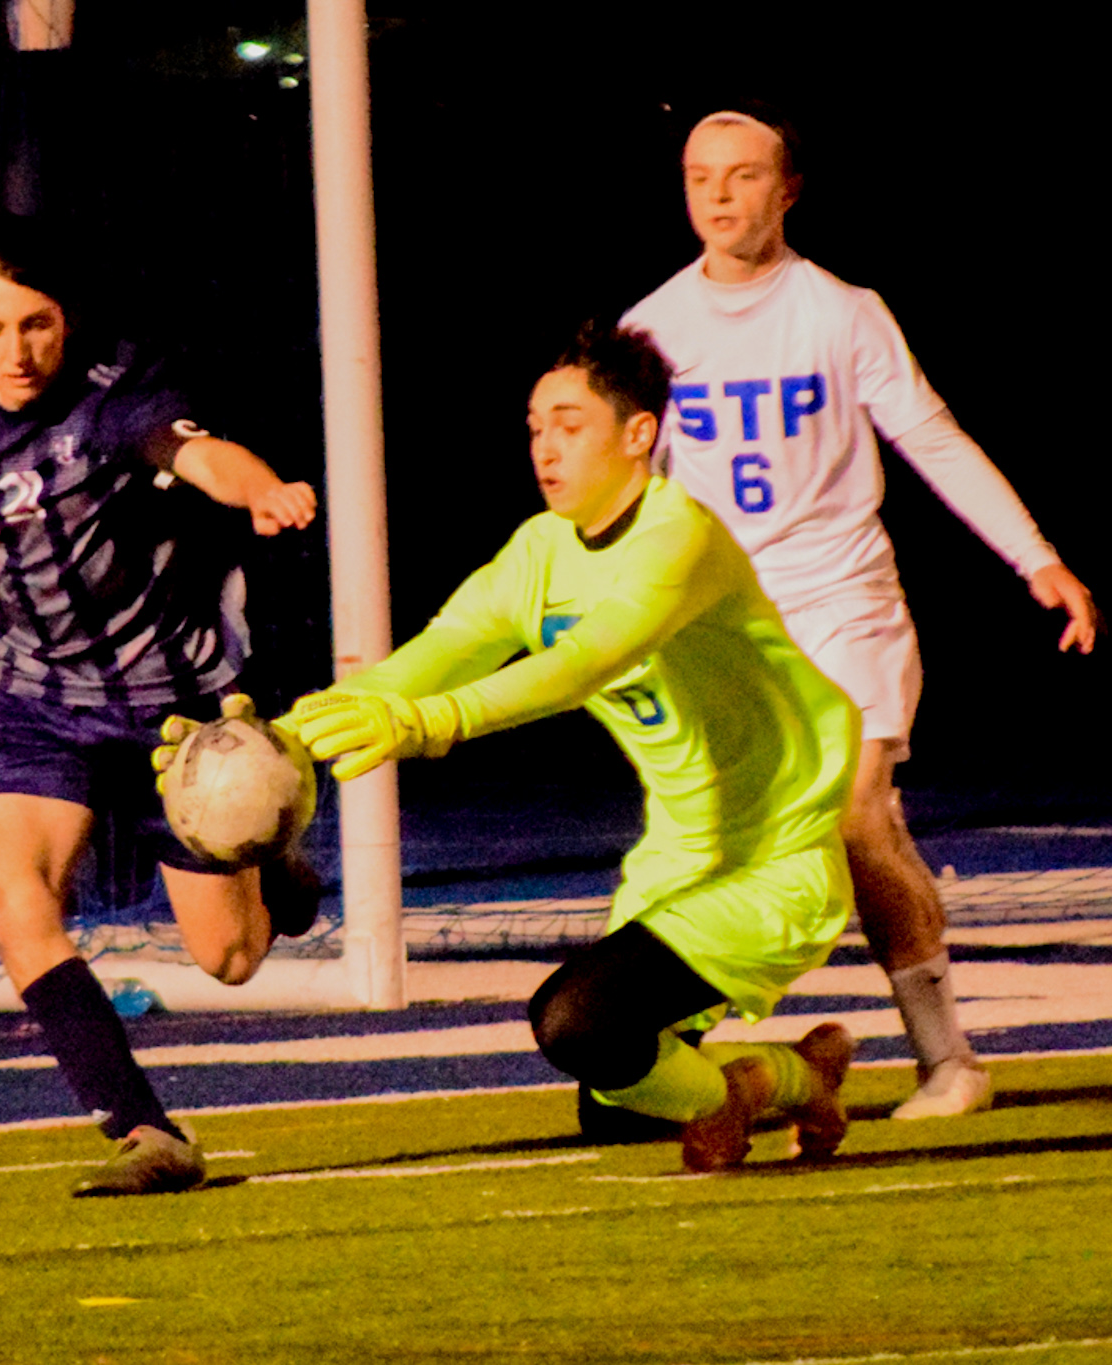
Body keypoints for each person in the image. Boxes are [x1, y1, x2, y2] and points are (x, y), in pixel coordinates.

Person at [622, 104, 1101, 1119]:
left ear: (785, 190)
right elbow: (633, 499)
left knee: (852, 817)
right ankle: (675, 1064)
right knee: (725, 843)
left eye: (741, 176)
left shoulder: (839, 312)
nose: (715, 195)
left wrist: (1034, 559)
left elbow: (930, 437)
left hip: (843, 607)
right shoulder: (651, 329)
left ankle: (946, 1062)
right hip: (729, 632)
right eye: (698, 175)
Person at [293, 324, 860, 1173]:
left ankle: (738, 1093)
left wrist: (429, 725)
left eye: (569, 424)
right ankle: (789, 1074)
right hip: (677, 860)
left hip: (773, 860)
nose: (545, 447)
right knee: (616, 1102)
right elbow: (445, 648)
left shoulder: (679, 536)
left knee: (574, 1023)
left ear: (639, 436)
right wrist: (281, 736)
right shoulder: (540, 550)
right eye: (534, 427)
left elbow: (582, 662)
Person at [0, 230, 318, 1196]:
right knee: (10, 901)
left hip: (168, 721)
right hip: (40, 707)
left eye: (37, 325)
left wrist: (263, 490)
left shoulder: (116, 403)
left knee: (232, 957)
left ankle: (268, 853)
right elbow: (1, 506)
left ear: (66, 323)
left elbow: (200, 455)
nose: (17, 351)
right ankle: (145, 1131)